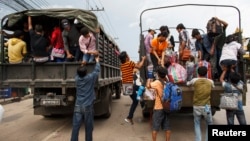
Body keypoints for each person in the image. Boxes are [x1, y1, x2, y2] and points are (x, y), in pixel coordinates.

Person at [70, 52, 100, 141]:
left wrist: (82, 64)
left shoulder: (77, 79)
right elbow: (97, 71)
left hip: (78, 106)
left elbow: (78, 72)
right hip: (88, 106)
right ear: (86, 72)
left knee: (75, 127)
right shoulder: (90, 78)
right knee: (89, 127)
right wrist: (97, 61)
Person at [186, 66, 214, 141]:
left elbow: (188, 84)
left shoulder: (194, 80)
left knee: (197, 123)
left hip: (197, 106)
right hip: (207, 107)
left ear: (198, 73)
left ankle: (198, 140)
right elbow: (213, 87)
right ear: (206, 73)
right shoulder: (210, 82)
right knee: (209, 124)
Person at [118, 51, 146, 124]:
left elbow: (135, 66)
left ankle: (142, 101)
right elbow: (139, 66)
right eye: (128, 55)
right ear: (126, 58)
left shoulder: (122, 65)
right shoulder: (130, 63)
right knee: (135, 101)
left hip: (126, 86)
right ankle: (129, 117)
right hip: (129, 86)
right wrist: (143, 60)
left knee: (142, 88)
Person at [146, 66, 171, 141]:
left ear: (158, 74)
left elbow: (148, 86)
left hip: (158, 108)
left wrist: (148, 79)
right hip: (166, 107)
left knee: (155, 129)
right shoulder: (167, 82)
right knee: (167, 128)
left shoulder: (157, 82)